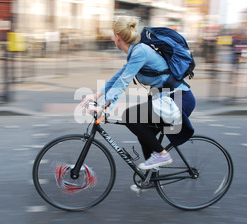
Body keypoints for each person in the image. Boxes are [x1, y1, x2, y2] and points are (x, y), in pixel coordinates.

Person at [80, 16, 195, 171]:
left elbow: (123, 82)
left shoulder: (140, 51)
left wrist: (102, 106)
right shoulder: (136, 52)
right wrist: (95, 96)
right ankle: (151, 179)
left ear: (118, 37)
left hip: (178, 99)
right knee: (145, 135)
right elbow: (119, 76)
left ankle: (162, 155)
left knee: (129, 116)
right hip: (166, 99)